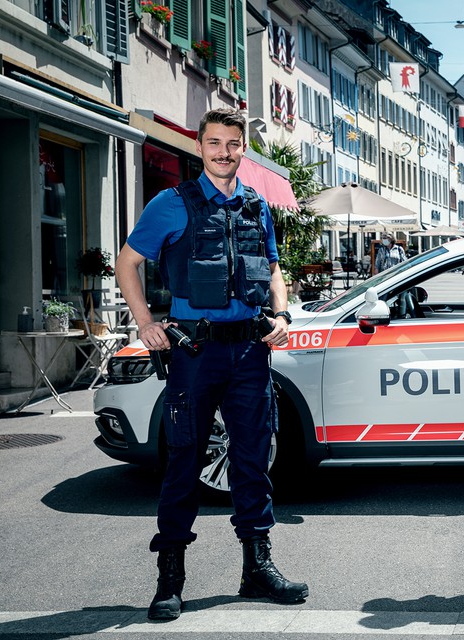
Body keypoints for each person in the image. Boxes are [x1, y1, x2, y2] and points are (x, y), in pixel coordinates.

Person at [115, 108, 308, 621]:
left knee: (252, 461)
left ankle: (257, 569)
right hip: (194, 353)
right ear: (200, 147)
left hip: (249, 351)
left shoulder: (256, 206)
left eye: (233, 144)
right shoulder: (171, 204)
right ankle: (170, 579)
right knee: (184, 461)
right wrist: (144, 322)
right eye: (215, 143)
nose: (225, 152)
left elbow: (272, 269)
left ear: (243, 149)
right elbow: (126, 261)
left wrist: (282, 312)